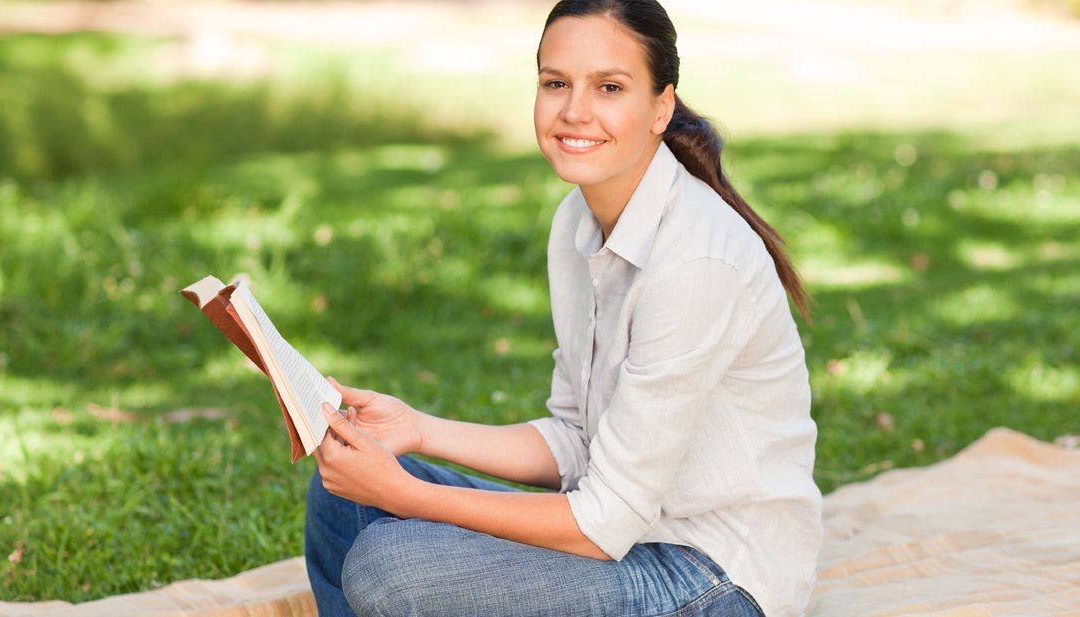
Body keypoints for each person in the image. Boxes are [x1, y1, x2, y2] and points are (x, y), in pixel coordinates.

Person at [303, 1, 821, 615]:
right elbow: (577, 439)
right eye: (555, 83)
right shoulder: (577, 221)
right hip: (622, 534)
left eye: (609, 87)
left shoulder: (695, 264)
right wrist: (417, 431)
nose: (575, 111)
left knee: (391, 566)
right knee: (345, 500)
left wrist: (409, 495)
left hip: (712, 575)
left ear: (661, 107)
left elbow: (603, 524)